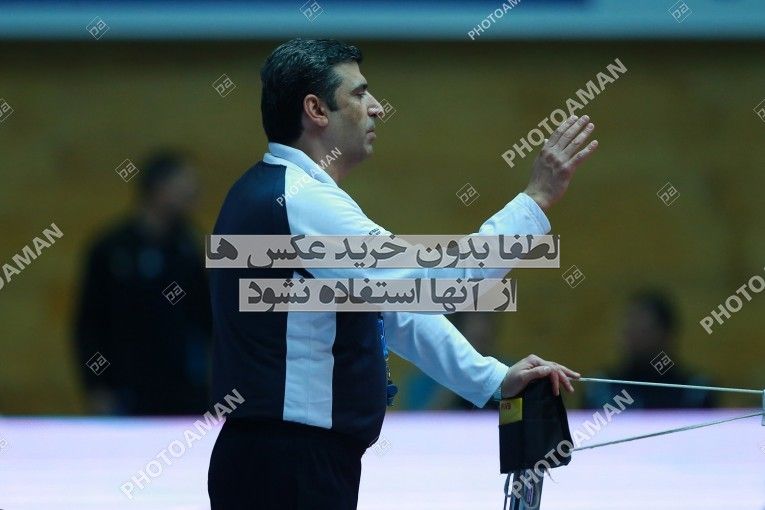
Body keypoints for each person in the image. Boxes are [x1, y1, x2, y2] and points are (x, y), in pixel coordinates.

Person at [207, 38, 598, 510]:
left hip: (284, 461)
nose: (377, 107)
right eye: (359, 93)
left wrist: (492, 379)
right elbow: (443, 281)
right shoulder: (300, 200)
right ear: (316, 110)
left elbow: (393, 308)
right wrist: (535, 200)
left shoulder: (279, 192)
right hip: (289, 467)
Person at [74, 151, 212, 415]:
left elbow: (207, 320)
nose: (193, 196)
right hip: (126, 392)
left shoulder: (191, 249)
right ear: (159, 189)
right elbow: (89, 324)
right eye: (184, 187)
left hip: (184, 394)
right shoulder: (111, 249)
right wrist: (96, 386)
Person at [582, 290, 717, 409]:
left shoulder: (694, 391)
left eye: (642, 328)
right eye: (629, 326)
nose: (631, 334)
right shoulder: (601, 389)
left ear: (666, 334)